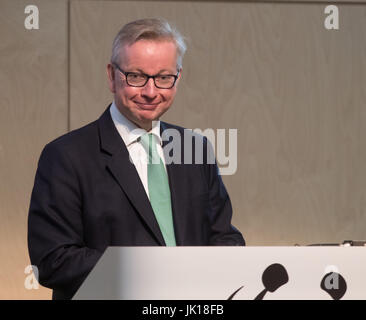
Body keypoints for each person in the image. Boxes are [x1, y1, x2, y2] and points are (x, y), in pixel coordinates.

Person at [28, 18, 245, 300]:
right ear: (111, 76)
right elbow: (52, 261)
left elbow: (224, 238)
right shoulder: (65, 157)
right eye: (137, 77)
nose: (151, 91)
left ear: (177, 77)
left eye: (164, 78)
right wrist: (149, 271)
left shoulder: (195, 148)